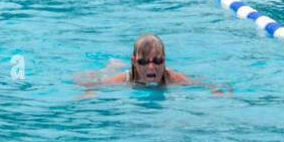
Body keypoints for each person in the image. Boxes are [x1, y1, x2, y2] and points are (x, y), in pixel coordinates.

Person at [77, 33, 213, 90]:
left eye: (157, 61)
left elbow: (210, 85)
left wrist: (216, 91)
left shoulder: (172, 77)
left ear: (164, 61)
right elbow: (92, 85)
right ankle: (112, 66)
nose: (151, 67)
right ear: (134, 62)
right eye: (143, 62)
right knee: (101, 74)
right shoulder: (125, 78)